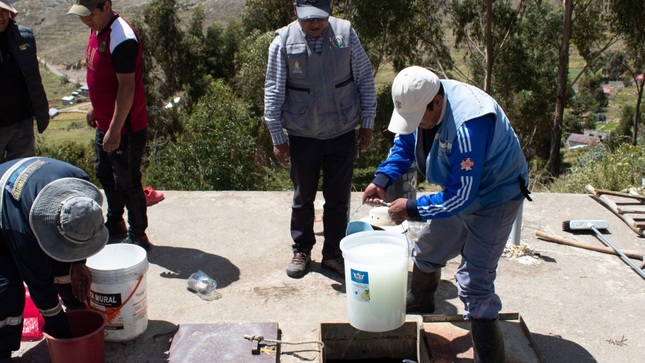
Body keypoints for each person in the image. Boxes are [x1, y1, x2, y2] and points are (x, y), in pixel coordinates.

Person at [362, 66, 531, 362]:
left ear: (437, 103)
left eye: (417, 119)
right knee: (428, 248)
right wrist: (382, 179)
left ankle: (490, 358)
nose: (414, 124)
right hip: (460, 190)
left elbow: (460, 197)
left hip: (496, 196)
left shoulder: (469, 126)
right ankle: (422, 299)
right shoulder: (420, 101)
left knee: (475, 280)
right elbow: (404, 144)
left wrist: (411, 208)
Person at [264, 0, 377, 278]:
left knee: (338, 199)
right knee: (303, 198)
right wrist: (278, 137)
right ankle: (301, 249)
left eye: (320, 18)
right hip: (303, 135)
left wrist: (368, 123)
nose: (315, 24)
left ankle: (333, 254)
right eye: (307, 19)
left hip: (341, 131)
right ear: (295, 12)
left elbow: (364, 78)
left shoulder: (346, 34)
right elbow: (274, 92)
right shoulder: (282, 42)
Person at [0, 157, 109, 362]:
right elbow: (40, 287)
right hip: (5, 211)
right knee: (7, 285)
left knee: (62, 260)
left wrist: (78, 263)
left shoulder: (80, 186)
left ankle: (73, 305)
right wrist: (65, 335)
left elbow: (77, 233)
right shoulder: (23, 233)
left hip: (27, 194)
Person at [68, 0, 152, 251]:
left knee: (127, 181)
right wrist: (96, 106)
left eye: (90, 14)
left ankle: (139, 236)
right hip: (106, 122)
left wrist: (115, 130)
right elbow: (103, 77)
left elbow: (127, 88)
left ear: (106, 6)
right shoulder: (97, 28)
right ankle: (115, 222)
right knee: (104, 172)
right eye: (81, 16)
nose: (86, 20)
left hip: (125, 127)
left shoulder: (122, 37)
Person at [0, 0, 49, 163]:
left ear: (10, 13)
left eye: (2, 12)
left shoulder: (25, 37)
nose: (0, 17)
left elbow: (34, 79)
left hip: (22, 121)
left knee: (22, 171)